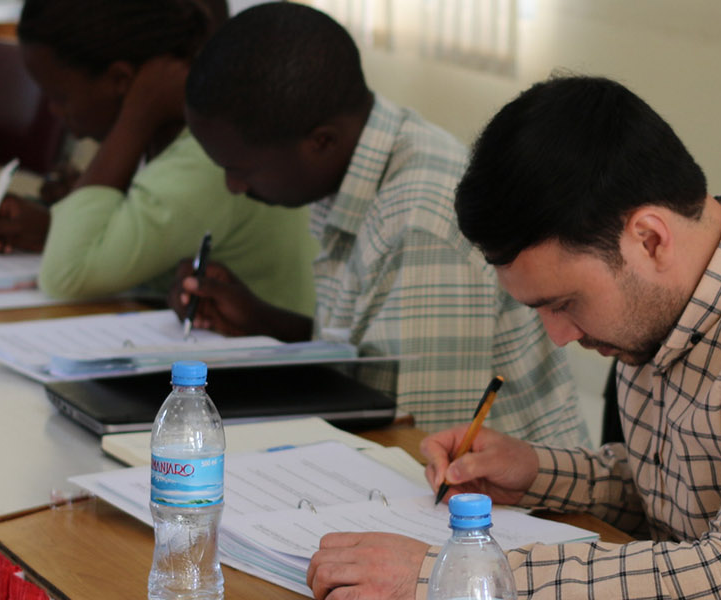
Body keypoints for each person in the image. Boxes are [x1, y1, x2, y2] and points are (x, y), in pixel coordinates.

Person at [304, 76, 721, 600]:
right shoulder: (664, 309)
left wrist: (456, 575)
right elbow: (675, 492)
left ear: (648, 238)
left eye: (565, 303)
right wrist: (536, 473)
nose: (559, 336)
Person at [171, 3, 588, 445]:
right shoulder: (355, 162)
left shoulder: (422, 223)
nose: (233, 186)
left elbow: (418, 444)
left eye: (241, 169)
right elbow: (373, 366)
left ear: (321, 141)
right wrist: (265, 323)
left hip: (502, 487)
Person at [0, 0, 316, 305]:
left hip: (269, 357)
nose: (53, 111)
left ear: (121, 80)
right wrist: (52, 226)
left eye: (59, 96)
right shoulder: (170, 134)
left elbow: (67, 275)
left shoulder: (209, 155)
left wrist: (134, 119)